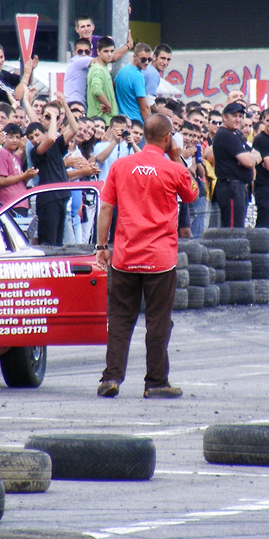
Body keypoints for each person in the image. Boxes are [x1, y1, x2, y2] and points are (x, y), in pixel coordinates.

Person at [95, 114, 199, 399]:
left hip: (125, 256)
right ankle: (155, 382)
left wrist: (101, 246)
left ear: (145, 136)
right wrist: (177, 158)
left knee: (119, 319)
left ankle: (111, 377)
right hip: (160, 259)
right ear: (167, 138)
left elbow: (106, 208)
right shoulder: (173, 169)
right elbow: (192, 193)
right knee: (158, 321)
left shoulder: (120, 166)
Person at [26, 94, 79, 246]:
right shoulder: (35, 151)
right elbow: (50, 139)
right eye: (31, 137)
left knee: (58, 242)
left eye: (37, 135)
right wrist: (54, 118)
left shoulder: (56, 145)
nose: (35, 139)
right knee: (48, 242)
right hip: (48, 198)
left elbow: (74, 129)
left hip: (61, 196)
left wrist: (65, 105)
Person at [212, 102, 261, 228]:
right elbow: (249, 162)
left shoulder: (235, 134)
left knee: (238, 227)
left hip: (238, 187)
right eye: (234, 116)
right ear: (225, 117)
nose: (238, 119)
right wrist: (250, 159)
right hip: (231, 188)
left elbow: (256, 154)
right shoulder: (225, 135)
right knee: (233, 230)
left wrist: (250, 158)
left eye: (240, 116)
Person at [0, 41, 35, 109]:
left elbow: (25, 83)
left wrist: (31, 69)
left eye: (1, 57)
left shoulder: (3, 73)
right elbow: (16, 96)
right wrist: (26, 74)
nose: (0, 61)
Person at [113, 44, 153, 124]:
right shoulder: (138, 76)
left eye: (149, 59)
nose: (147, 62)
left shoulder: (124, 70)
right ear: (134, 57)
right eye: (143, 59)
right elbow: (144, 108)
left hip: (121, 120)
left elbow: (113, 85)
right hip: (135, 121)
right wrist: (151, 126)